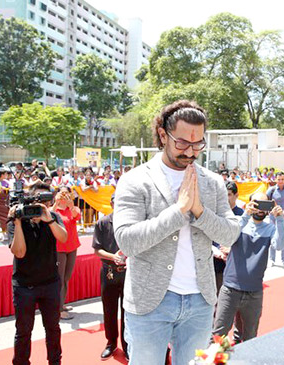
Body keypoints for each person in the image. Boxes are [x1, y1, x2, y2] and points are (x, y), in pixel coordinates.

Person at [114, 100, 240, 365]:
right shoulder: (135, 180)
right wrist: (178, 211)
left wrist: (199, 212)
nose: (191, 152)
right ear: (163, 135)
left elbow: (230, 235)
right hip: (150, 303)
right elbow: (127, 240)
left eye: (198, 144)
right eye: (182, 143)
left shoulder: (212, 182)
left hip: (201, 302)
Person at [8, 181, 68, 365]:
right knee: (24, 331)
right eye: (37, 201)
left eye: (45, 201)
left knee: (53, 328)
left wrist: (48, 219)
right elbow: (19, 252)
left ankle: (55, 362)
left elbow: (63, 238)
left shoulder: (53, 217)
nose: (41, 205)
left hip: (50, 282)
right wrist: (18, 222)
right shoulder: (17, 218)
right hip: (24, 285)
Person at [212, 193, 284, 343]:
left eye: (264, 205)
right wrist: (246, 215)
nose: (260, 209)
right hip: (230, 289)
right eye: (256, 203)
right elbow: (229, 238)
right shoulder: (239, 221)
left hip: (254, 292)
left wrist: (279, 219)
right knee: (218, 336)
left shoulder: (270, 229)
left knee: (249, 339)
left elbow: (280, 245)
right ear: (249, 203)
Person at [92, 194, 128, 361]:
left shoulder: (132, 222)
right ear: (111, 203)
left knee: (127, 311)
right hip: (109, 271)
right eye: (116, 202)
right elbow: (97, 249)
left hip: (129, 271)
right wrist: (113, 257)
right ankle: (111, 343)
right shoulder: (103, 223)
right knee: (109, 309)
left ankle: (127, 344)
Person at [51, 186, 81, 320]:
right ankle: (58, 309)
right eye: (61, 193)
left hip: (72, 246)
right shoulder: (54, 210)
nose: (64, 196)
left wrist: (71, 204)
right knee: (59, 278)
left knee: (66, 277)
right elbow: (48, 216)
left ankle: (61, 304)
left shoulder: (73, 209)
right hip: (59, 248)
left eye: (66, 193)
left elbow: (76, 216)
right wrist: (56, 203)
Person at [266, 172, 284, 266]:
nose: (280, 181)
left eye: (282, 179)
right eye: (278, 179)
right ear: (276, 180)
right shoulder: (271, 190)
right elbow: (266, 202)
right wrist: (271, 211)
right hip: (273, 219)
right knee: (272, 237)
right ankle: (272, 259)